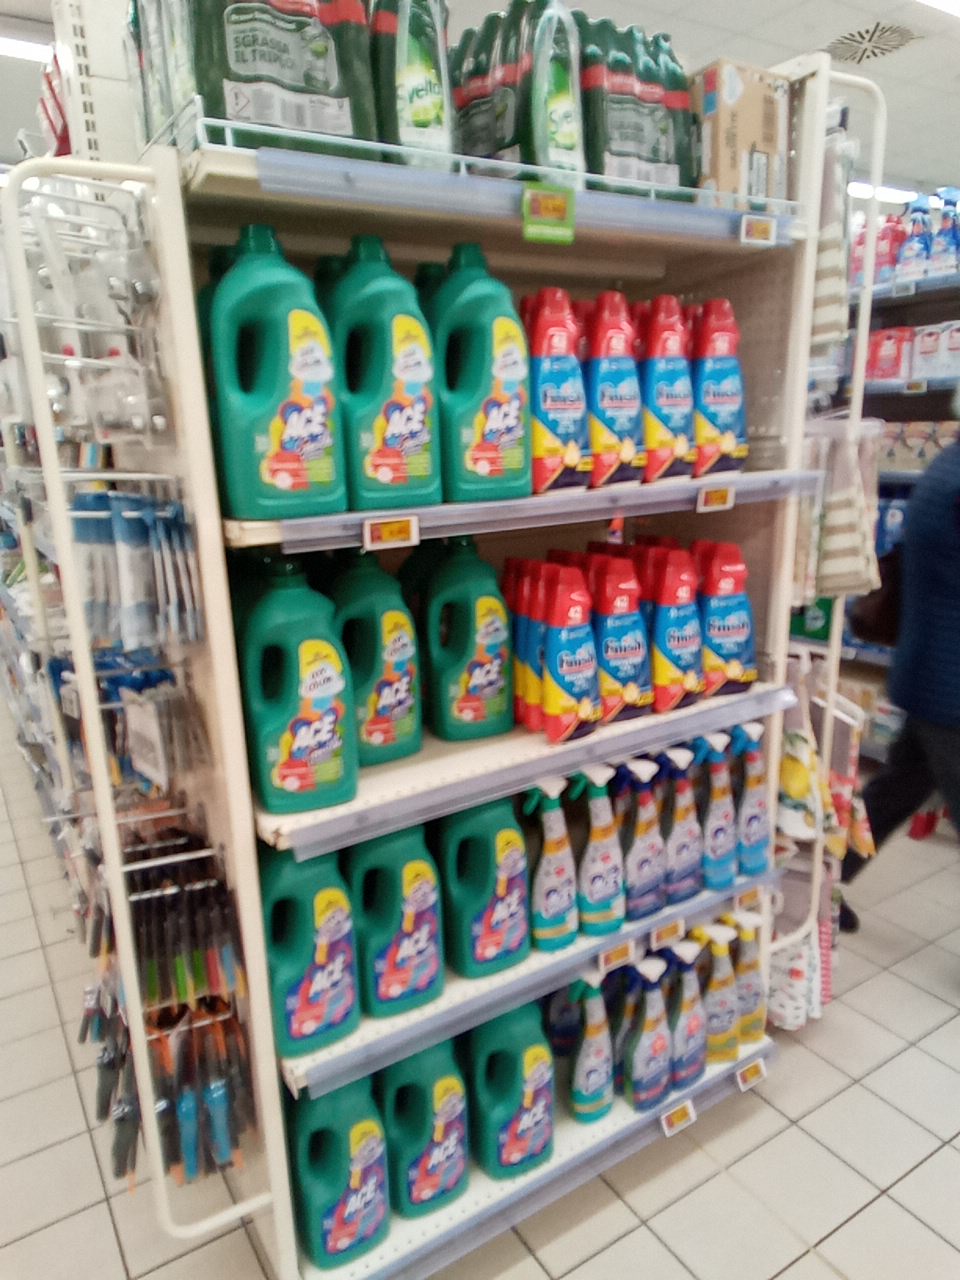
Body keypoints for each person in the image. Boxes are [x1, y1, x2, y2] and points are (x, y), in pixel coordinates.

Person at [839, 434, 960, 931]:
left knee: (894, 792)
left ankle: (823, 880)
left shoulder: (948, 464)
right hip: (950, 689)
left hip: (931, 673)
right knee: (895, 790)